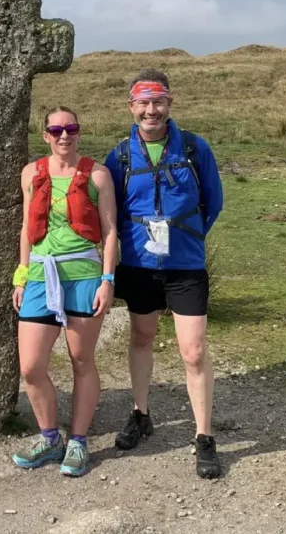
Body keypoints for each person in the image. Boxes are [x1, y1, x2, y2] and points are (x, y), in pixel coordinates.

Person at [103, 69, 225, 479]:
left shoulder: (194, 148)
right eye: (143, 103)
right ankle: (141, 415)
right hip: (139, 265)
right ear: (131, 106)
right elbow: (110, 214)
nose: (150, 110)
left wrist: (186, 237)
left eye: (158, 102)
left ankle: (204, 437)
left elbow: (214, 201)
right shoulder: (119, 156)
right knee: (141, 338)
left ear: (169, 104)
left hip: (185, 266)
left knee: (193, 351)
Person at [11, 106, 118, 477]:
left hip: (84, 277)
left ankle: (78, 440)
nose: (63, 135)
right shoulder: (31, 173)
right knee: (31, 366)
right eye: (55, 129)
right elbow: (27, 228)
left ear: (78, 132)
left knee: (82, 360)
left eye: (70, 128)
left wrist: (108, 280)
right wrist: (21, 277)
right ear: (45, 135)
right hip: (41, 275)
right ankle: (49, 436)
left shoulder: (98, 174)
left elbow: (109, 232)